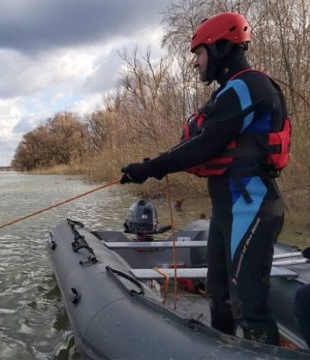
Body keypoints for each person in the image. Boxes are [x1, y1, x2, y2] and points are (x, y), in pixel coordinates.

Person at [120, 12, 290, 345]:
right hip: (230, 208)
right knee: (219, 293)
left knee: (249, 303)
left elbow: (205, 144)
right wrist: (147, 166)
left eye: (198, 53)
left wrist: (149, 168)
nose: (195, 63)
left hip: (252, 207)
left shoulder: (250, 86)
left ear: (222, 48)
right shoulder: (230, 90)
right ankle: (220, 348)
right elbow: (204, 140)